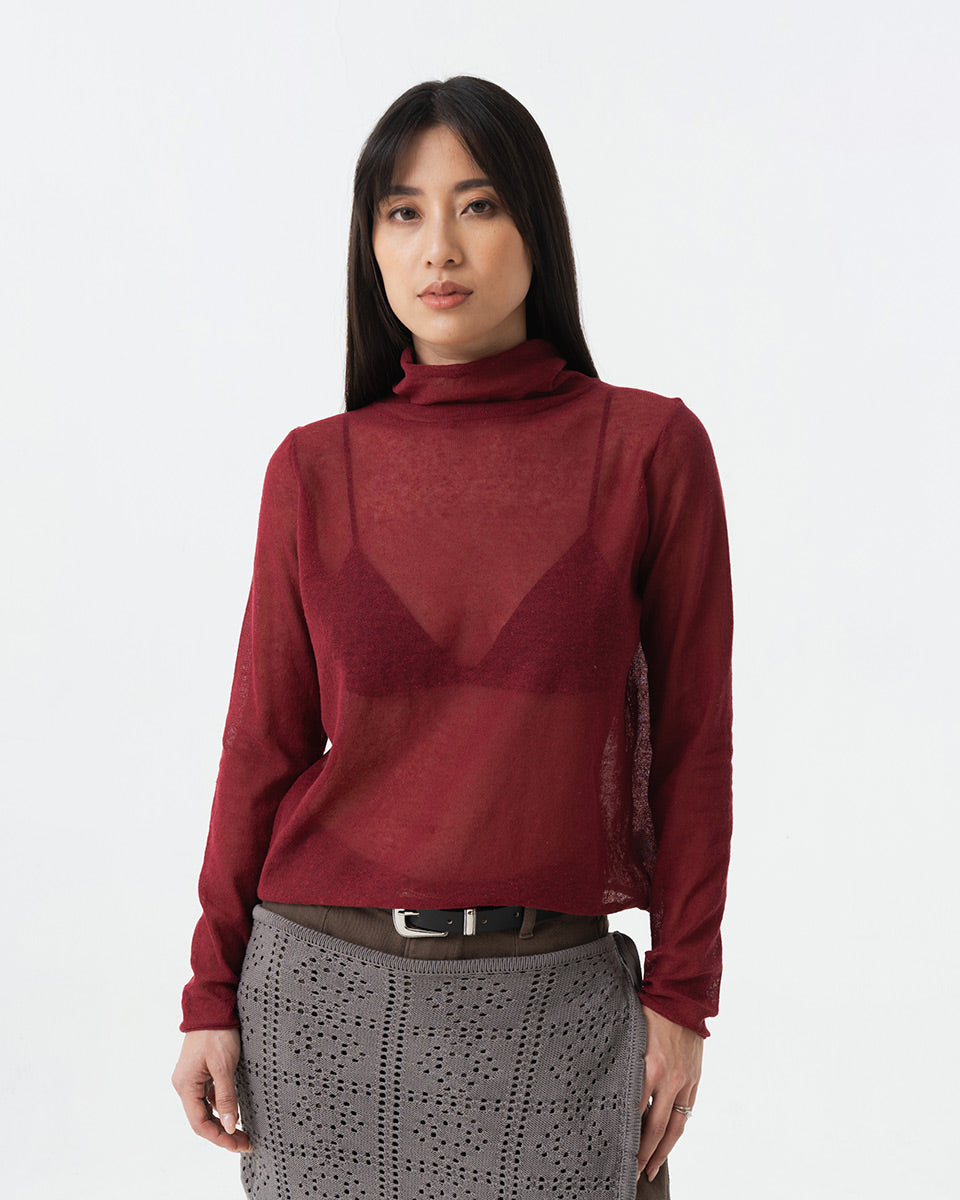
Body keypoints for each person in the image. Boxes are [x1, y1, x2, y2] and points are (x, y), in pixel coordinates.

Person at [172, 75, 733, 1200]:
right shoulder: (313, 470)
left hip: (556, 1006)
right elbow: (261, 748)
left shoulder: (648, 452)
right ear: (371, 247)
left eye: (478, 205)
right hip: (317, 1001)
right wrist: (207, 994)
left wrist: (683, 997)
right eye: (403, 211)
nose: (440, 246)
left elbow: (693, 749)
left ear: (537, 226)